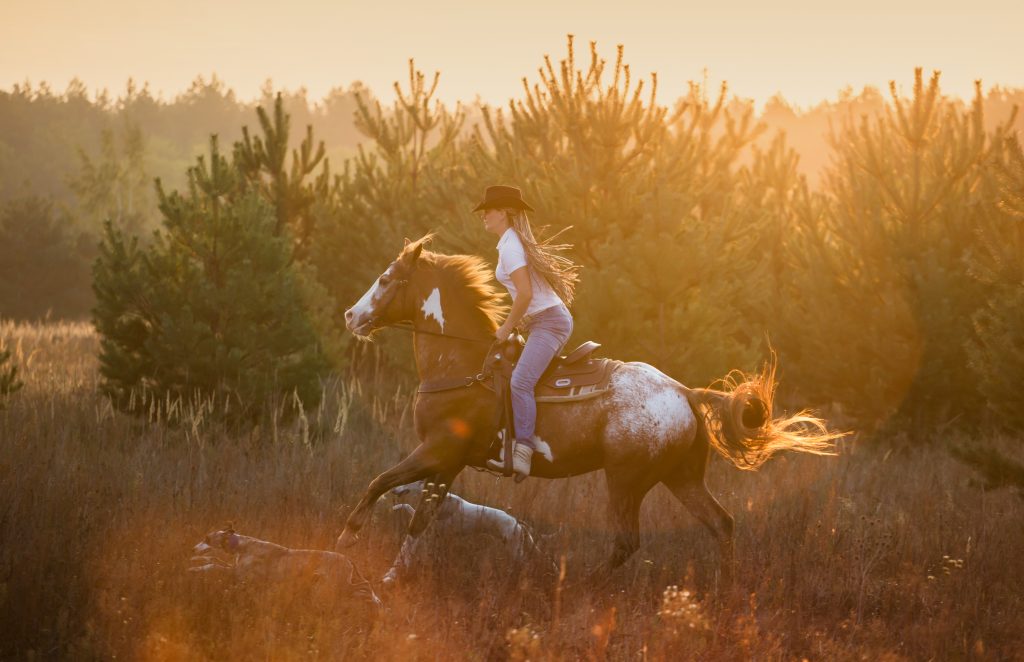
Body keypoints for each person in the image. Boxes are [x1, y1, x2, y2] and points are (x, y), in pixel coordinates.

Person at [474, 185, 580, 481]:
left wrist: (506, 328)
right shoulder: (509, 242)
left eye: (488, 210)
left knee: (520, 382)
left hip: (550, 322)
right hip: (541, 321)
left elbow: (524, 294)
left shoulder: (510, 247)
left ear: (504, 213)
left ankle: (523, 453)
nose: (484, 215)